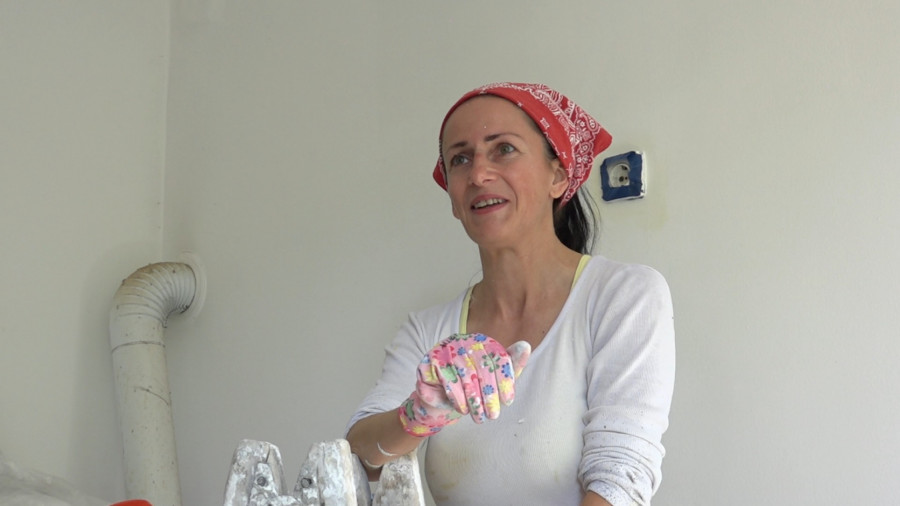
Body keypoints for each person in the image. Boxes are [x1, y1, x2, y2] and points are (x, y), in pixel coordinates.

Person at [346, 82, 675, 506]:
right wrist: (416, 417)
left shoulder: (622, 296)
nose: (478, 174)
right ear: (453, 200)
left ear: (558, 175)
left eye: (503, 149)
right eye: (460, 159)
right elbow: (359, 457)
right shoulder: (428, 331)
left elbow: (621, 480)